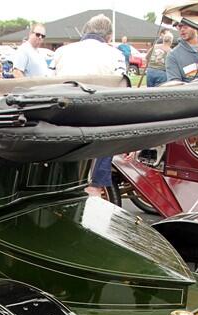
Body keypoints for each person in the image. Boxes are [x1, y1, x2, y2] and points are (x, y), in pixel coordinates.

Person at [53, 14, 125, 197]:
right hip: (97, 115)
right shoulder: (115, 54)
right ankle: (95, 185)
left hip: (63, 113)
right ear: (108, 37)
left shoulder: (62, 51)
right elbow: (121, 91)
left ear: (85, 31)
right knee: (110, 129)